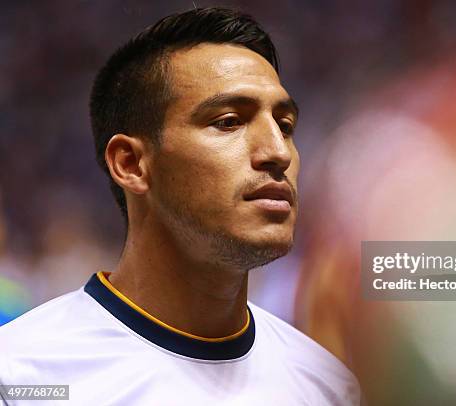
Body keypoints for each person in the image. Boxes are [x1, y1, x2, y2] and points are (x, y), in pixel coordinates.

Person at [0, 7, 360, 405]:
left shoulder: (328, 386)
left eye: (286, 126)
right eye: (228, 121)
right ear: (131, 164)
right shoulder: (20, 376)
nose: (278, 152)